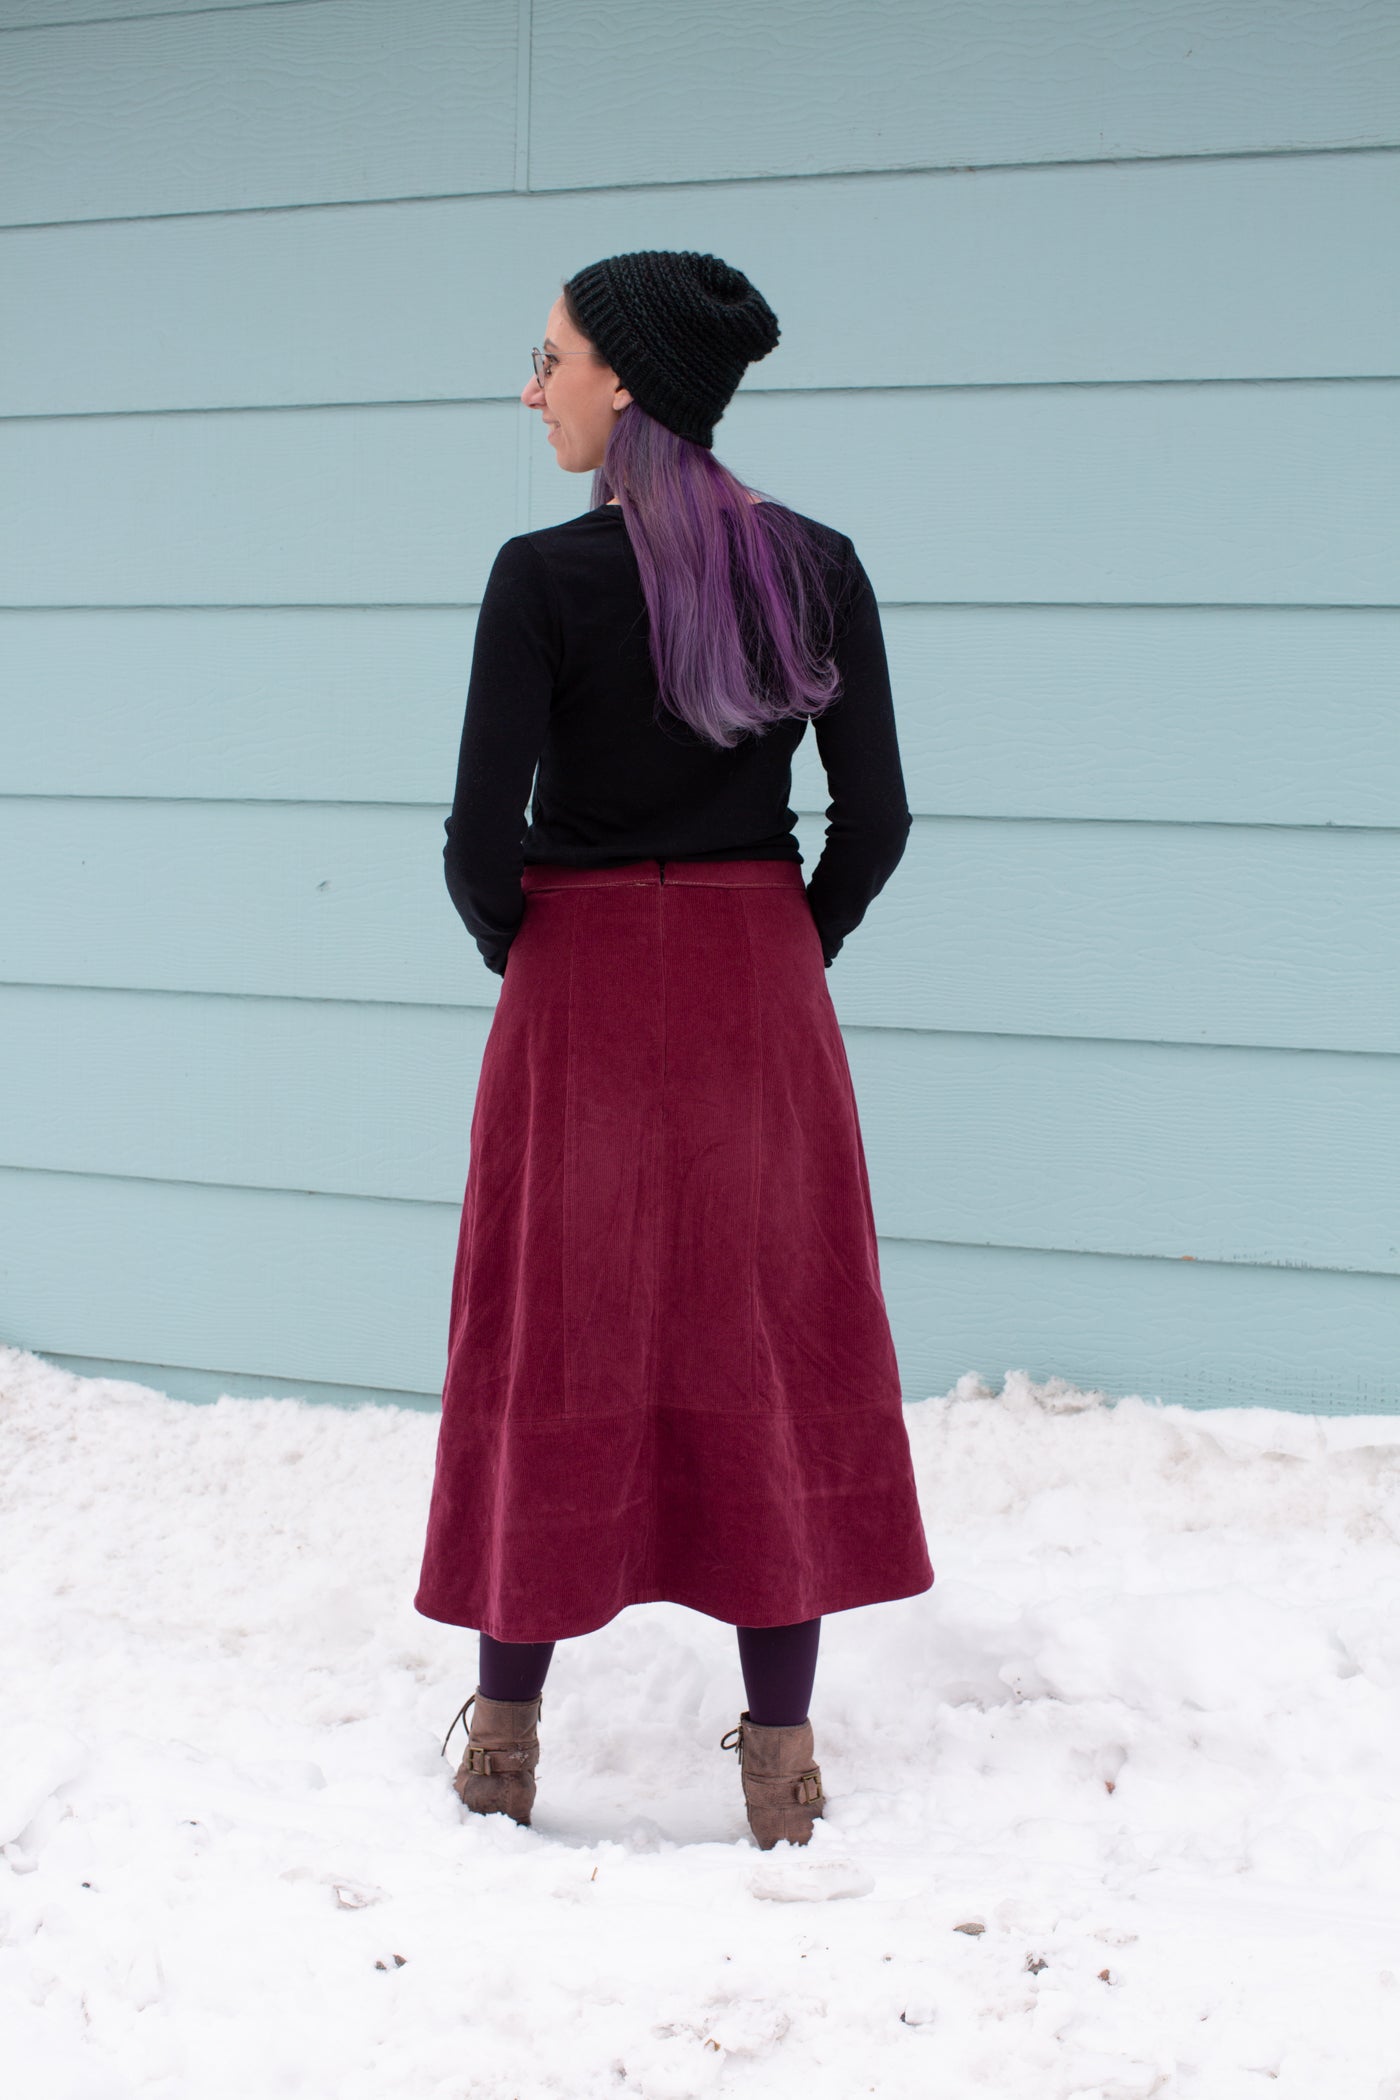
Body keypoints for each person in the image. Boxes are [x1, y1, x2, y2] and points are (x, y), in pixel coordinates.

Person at [415, 249, 933, 1850]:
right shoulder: (819, 564)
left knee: (550, 1325)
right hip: (754, 981)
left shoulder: (541, 577)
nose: (532, 385)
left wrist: (542, 947)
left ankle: (507, 1742)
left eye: (550, 355)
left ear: (624, 379)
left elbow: (474, 841)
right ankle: (780, 1762)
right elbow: (881, 820)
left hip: (574, 978)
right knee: (771, 1319)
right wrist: (784, 938)